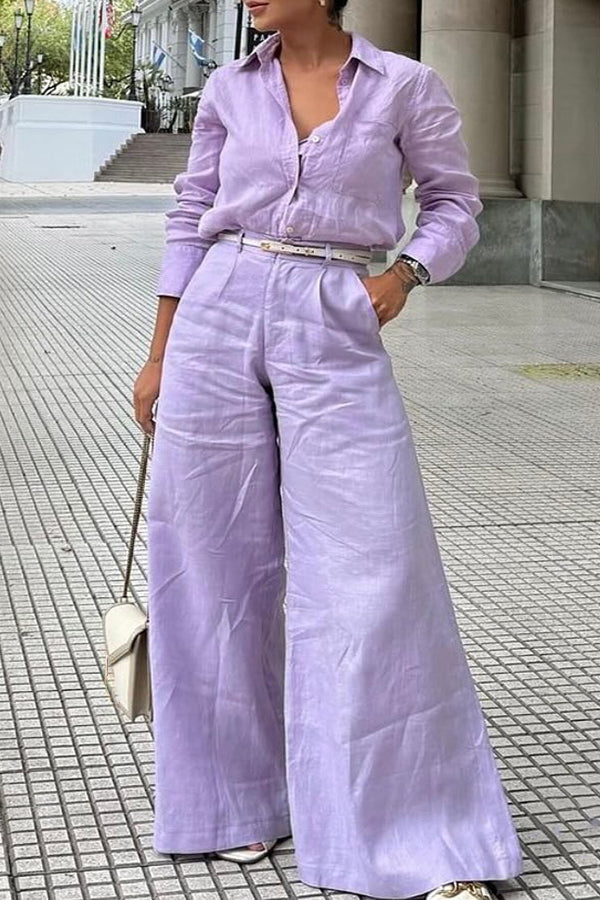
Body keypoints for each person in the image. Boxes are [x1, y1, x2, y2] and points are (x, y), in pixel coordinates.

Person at [133, 1, 525, 898]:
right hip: (219, 308)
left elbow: (456, 202)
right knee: (211, 564)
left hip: (332, 311)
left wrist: (405, 274)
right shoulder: (228, 87)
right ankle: (234, 803)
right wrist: (159, 353)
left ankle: (413, 829)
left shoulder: (405, 86)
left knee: (373, 565)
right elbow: (191, 212)